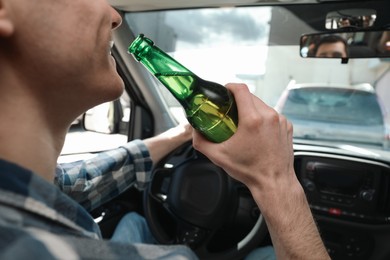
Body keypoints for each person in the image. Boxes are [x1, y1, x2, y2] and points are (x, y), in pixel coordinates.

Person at [0, 0, 330, 260]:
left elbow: (83, 179)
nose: (114, 15)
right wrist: (277, 180)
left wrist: (183, 133)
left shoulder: (25, 186)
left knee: (135, 223)